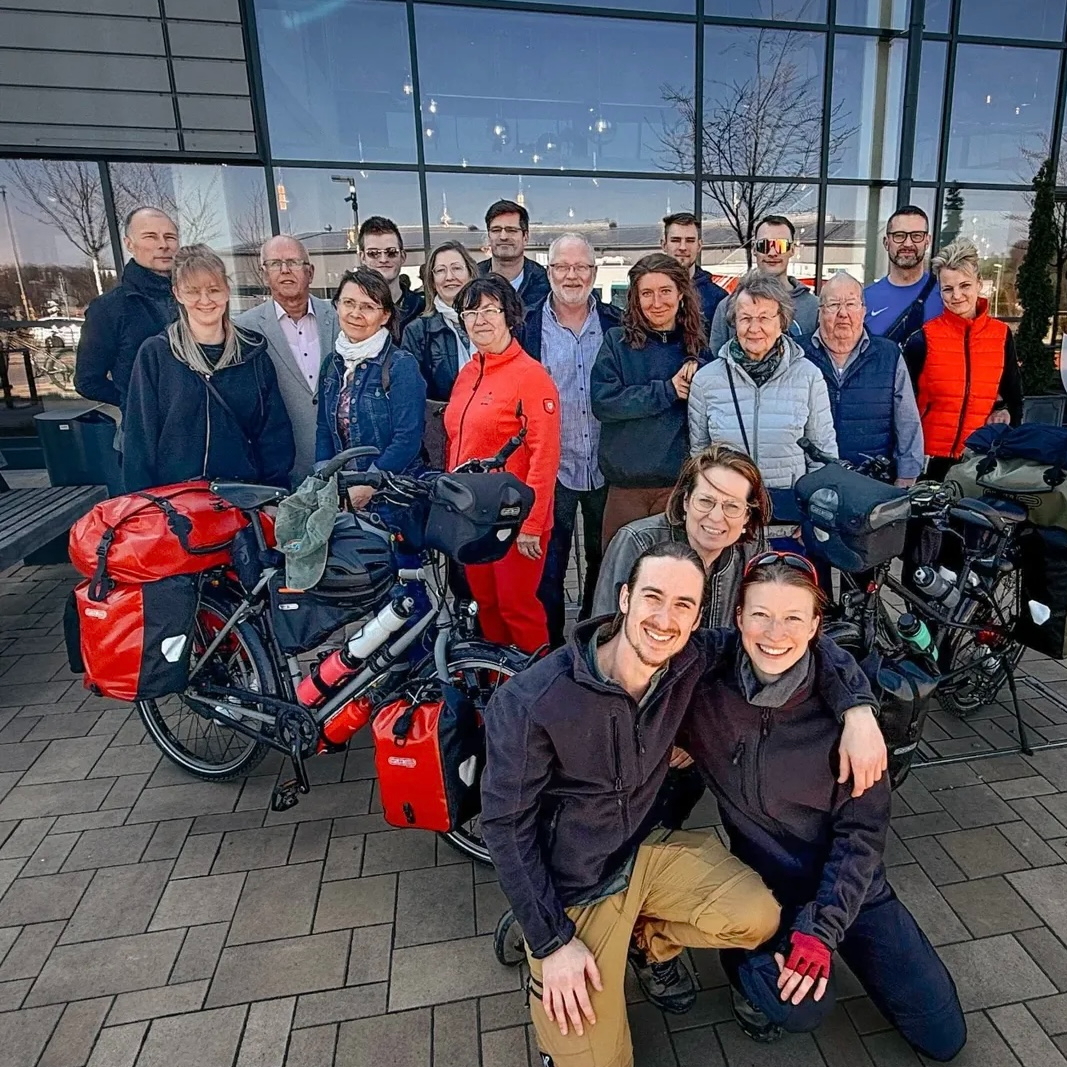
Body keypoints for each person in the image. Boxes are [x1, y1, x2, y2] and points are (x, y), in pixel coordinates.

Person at [481, 541, 888, 1067]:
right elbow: (505, 828)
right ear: (624, 599)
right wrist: (553, 942)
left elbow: (798, 630)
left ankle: (647, 941)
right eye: (653, 597)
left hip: (643, 854)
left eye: (684, 606)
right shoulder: (533, 701)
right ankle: (556, 943)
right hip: (575, 887)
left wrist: (858, 708)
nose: (665, 619)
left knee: (758, 916)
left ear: (699, 618)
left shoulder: (689, 657)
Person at [683, 552, 966, 1061]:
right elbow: (640, 641)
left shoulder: (851, 724)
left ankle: (819, 942)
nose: (775, 633)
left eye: (794, 617)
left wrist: (822, 929)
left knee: (943, 1039)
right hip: (762, 887)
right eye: (761, 615)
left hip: (849, 889)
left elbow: (862, 838)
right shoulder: (709, 686)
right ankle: (746, 968)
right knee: (798, 1007)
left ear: (817, 626)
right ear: (738, 617)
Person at [444, 274, 560, 652]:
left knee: (517, 608)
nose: (480, 320)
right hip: (474, 517)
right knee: (488, 607)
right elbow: (457, 443)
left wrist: (532, 523)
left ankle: (537, 690)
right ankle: (499, 686)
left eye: (490, 310)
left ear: (509, 315)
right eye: (470, 311)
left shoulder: (531, 376)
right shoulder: (467, 374)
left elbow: (545, 454)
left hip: (514, 517)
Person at [515, 233, 620, 648]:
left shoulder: (615, 323)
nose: (571, 275)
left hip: (606, 461)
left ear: (594, 273)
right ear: (549, 270)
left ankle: (593, 645)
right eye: (562, 267)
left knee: (604, 560)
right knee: (549, 568)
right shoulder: (526, 326)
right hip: (550, 467)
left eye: (580, 267)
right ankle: (553, 652)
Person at [122, 244, 294, 494]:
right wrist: (142, 503)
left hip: (242, 500)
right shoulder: (157, 354)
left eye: (213, 290)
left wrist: (273, 494)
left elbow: (273, 434)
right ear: (178, 293)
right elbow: (140, 440)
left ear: (226, 291)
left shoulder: (252, 354)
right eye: (193, 291)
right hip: (176, 505)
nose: (205, 300)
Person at [688, 270, 836, 526]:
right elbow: (699, 454)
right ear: (734, 322)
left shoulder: (808, 377)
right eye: (745, 318)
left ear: (782, 322)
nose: (754, 328)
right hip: (726, 515)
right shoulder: (707, 380)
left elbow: (822, 455)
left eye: (764, 318)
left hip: (790, 514)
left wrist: (815, 518)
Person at [591, 253, 707, 547]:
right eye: (647, 293)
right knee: (622, 577)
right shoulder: (616, 343)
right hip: (625, 489)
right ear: (636, 299)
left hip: (677, 489)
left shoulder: (698, 351)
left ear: (681, 294)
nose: (657, 302)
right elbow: (604, 402)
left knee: (675, 577)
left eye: (665, 291)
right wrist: (667, 391)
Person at [593, 443, 769, 626]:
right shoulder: (638, 542)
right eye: (705, 501)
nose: (716, 517)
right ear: (685, 501)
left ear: (747, 515)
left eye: (732, 506)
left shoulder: (754, 552)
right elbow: (603, 631)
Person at [904, 238, 1023, 482]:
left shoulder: (1000, 336)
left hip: (979, 460)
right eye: (948, 288)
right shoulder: (922, 339)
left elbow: (1013, 394)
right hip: (929, 462)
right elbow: (902, 406)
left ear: (979, 284)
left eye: (965, 285)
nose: (956, 295)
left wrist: (1003, 411)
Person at [316, 268, 426, 510]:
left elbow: (407, 439)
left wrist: (369, 484)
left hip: (392, 496)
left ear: (385, 315)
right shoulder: (331, 365)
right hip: (342, 494)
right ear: (337, 307)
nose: (356, 313)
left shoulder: (400, 365)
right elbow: (324, 429)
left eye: (367, 306)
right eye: (348, 303)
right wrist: (324, 478)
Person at [801, 272, 924, 486]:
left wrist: (907, 474)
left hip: (872, 482)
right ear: (820, 312)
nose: (843, 313)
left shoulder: (888, 354)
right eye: (833, 305)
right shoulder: (797, 353)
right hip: (811, 478)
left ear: (863, 311)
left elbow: (907, 421)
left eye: (851, 304)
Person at [234, 236, 338, 486]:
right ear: (264, 274)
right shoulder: (244, 330)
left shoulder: (339, 317)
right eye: (275, 263)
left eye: (293, 262)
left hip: (340, 465)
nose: (285, 270)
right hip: (281, 473)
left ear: (310, 272)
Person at [74, 206, 179, 410]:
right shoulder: (108, 309)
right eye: (151, 236)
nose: (163, 245)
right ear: (129, 244)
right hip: (146, 432)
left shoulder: (195, 298)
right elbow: (87, 381)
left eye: (170, 237)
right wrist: (137, 403)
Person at [709, 215, 818, 352]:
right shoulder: (728, 306)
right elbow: (715, 361)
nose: (772, 253)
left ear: (792, 250)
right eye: (764, 245)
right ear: (754, 249)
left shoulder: (814, 308)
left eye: (780, 245)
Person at [401, 240, 479, 401]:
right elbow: (411, 394)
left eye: (457, 268)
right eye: (441, 270)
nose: (450, 277)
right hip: (442, 422)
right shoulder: (417, 332)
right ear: (432, 281)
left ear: (470, 274)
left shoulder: (494, 320)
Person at [864, 205, 944, 345]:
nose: (908, 243)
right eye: (899, 236)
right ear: (886, 242)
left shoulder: (946, 298)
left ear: (927, 241)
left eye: (916, 236)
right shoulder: (864, 299)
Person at [477, 199, 550, 307]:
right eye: (496, 230)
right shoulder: (472, 278)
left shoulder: (545, 283)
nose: (503, 237)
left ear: (525, 237)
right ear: (488, 236)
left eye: (511, 230)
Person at [661, 211, 729, 325]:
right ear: (664, 245)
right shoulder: (647, 292)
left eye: (690, 241)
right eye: (676, 240)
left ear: (699, 246)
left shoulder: (718, 298)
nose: (682, 247)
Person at [357, 216, 424, 331]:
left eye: (391, 252)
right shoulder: (352, 312)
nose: (383, 259)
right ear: (362, 257)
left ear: (403, 256)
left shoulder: (423, 309)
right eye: (373, 253)